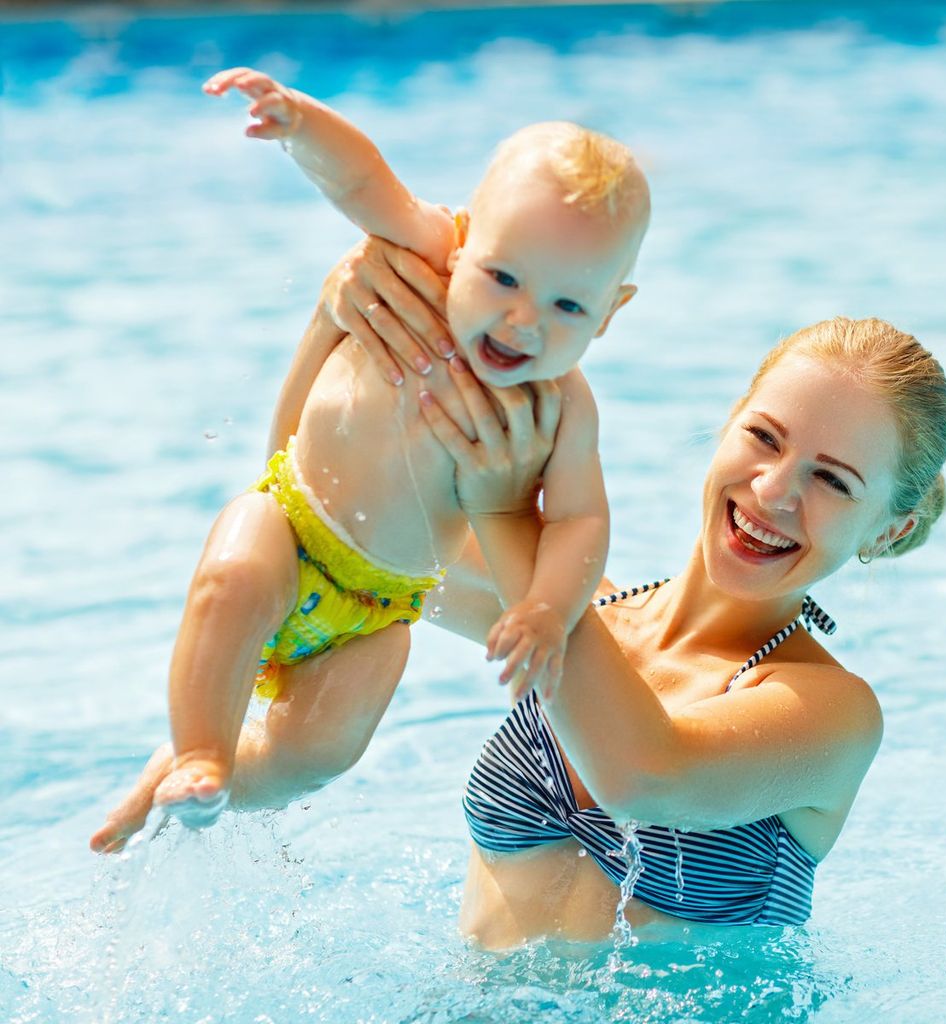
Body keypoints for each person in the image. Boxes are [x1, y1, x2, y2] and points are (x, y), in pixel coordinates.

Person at [93, 235, 946, 951]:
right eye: (763, 437)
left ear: (889, 529)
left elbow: (645, 774)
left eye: (833, 480)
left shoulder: (830, 712)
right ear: (727, 423)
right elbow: (327, 514)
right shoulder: (583, 609)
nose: (773, 492)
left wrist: (505, 511)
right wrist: (338, 319)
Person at [100, 70, 651, 833]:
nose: (524, 321)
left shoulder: (563, 409)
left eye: (567, 305)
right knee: (230, 583)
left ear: (611, 312)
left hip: (380, 606)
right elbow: (364, 177)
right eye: (503, 277)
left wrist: (547, 611)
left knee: (321, 752)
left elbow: (581, 520)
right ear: (463, 239)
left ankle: (209, 784)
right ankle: (199, 749)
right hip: (289, 530)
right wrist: (298, 125)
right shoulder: (424, 264)